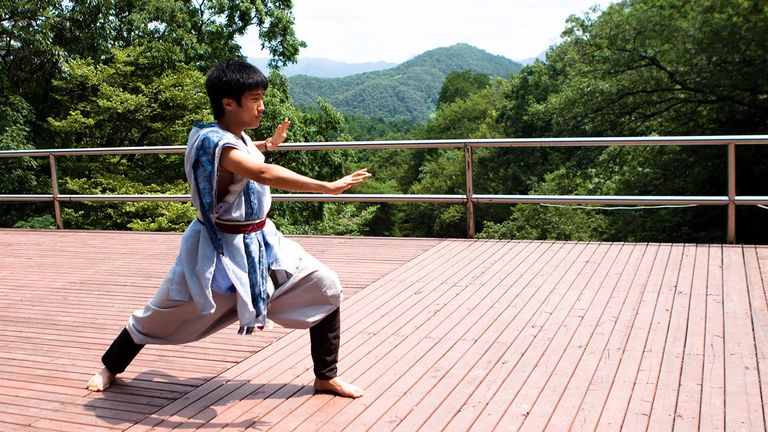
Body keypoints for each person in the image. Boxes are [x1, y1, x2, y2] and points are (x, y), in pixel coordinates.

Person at [86, 60, 370, 398]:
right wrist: (327, 186)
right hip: (217, 248)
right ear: (228, 103)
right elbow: (259, 173)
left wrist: (267, 144)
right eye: (254, 99)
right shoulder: (212, 142)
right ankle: (110, 367)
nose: (262, 106)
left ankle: (325, 376)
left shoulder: (235, 137)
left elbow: (246, 154)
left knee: (324, 285)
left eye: (262, 97)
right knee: (161, 313)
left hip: (262, 242)